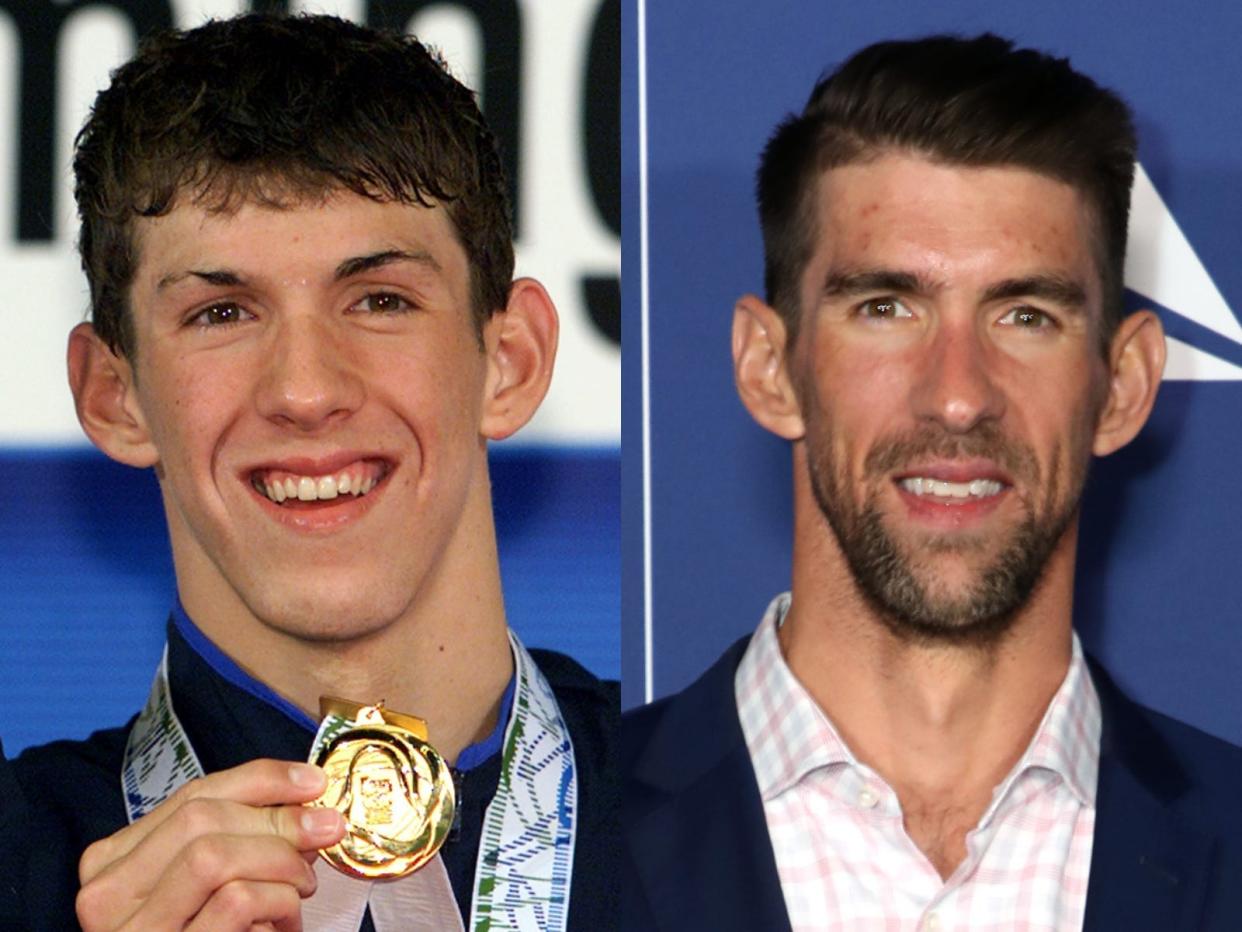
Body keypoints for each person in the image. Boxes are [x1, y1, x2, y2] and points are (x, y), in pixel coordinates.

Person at [8, 13, 616, 931]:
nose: (304, 390)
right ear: (112, 394)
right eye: (221, 313)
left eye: (379, 299)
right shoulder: (22, 866)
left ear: (513, 360)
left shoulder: (747, 815)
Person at [623, 33, 1242, 931]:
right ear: (769, 367)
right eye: (886, 308)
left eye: (1026, 315)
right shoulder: (553, 849)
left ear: (1125, 386)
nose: (957, 396)